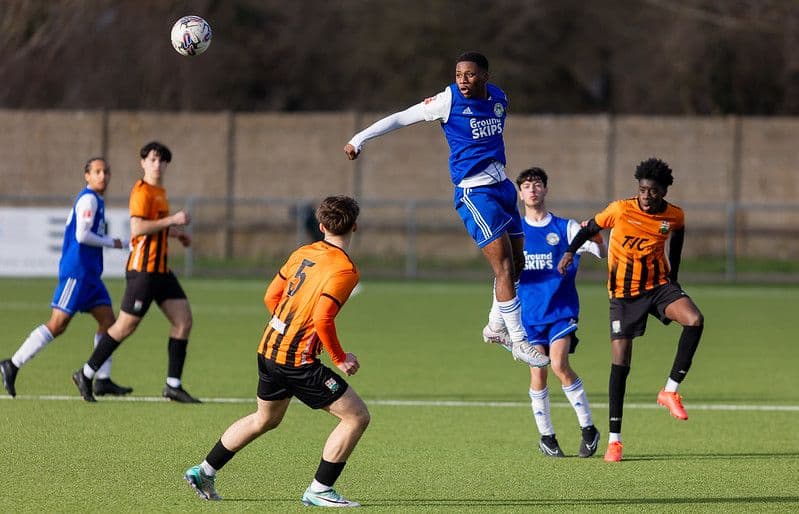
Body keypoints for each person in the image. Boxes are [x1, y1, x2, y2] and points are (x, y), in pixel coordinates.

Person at [344, 51, 549, 369]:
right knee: (504, 267)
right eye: (458, 74)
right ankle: (520, 340)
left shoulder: (499, 98)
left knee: (518, 262)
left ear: (485, 76)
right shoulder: (446, 101)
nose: (463, 80)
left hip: (503, 187)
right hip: (475, 192)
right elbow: (401, 117)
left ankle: (495, 328)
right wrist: (360, 138)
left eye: (469, 74)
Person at [183, 196, 369, 507]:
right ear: (355, 227)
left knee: (265, 418)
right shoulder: (346, 269)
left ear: (321, 226)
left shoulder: (303, 252)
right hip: (297, 361)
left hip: (269, 348)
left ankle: (204, 471)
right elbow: (323, 317)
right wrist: (340, 358)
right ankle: (320, 489)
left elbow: (272, 296)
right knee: (356, 417)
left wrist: (288, 328)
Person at [557, 157, 704, 463]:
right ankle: (615, 442)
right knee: (621, 363)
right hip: (623, 296)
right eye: (642, 189)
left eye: (653, 191)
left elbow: (678, 235)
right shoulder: (620, 209)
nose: (646, 196)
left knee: (694, 319)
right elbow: (588, 228)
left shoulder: (674, 215)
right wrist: (570, 252)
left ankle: (670, 391)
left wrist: (674, 274)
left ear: (663, 191)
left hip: (658, 286)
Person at [71, 141, 200, 403]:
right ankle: (86, 373)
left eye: (162, 160)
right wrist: (173, 220)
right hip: (143, 271)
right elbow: (138, 228)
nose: (158, 164)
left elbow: (155, 226)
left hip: (161, 270)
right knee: (125, 326)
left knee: (183, 321)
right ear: (143, 162)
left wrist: (176, 234)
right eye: (152, 159)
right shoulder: (141, 191)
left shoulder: (159, 191)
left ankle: (172, 385)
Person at [0, 158, 132, 398]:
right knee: (58, 324)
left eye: (106, 172)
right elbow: (82, 236)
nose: (103, 176)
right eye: (97, 171)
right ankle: (12, 364)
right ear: (87, 176)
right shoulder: (88, 199)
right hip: (77, 272)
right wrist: (115, 242)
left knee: (110, 323)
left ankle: (102, 379)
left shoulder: (97, 200)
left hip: (91, 275)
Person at [507, 167, 605, 458]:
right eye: (526, 186)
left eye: (537, 184)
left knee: (559, 365)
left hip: (561, 311)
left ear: (546, 190)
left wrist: (597, 237)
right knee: (538, 374)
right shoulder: (516, 232)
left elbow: (599, 254)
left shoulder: (565, 227)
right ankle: (546, 436)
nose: (532, 189)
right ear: (521, 193)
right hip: (529, 316)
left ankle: (588, 428)